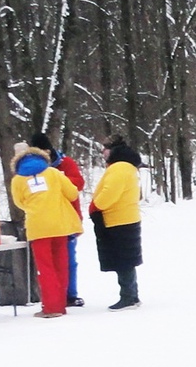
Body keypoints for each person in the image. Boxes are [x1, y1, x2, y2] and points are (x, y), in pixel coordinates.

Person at [9, 143, 83, 318]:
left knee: (46, 267)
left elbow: (19, 203)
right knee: (61, 265)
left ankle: (51, 307)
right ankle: (61, 304)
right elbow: (73, 193)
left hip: (38, 227)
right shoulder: (53, 173)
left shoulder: (18, 179)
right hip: (60, 225)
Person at [28, 131, 86, 307]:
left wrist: (56, 180)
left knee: (69, 259)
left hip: (66, 219)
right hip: (44, 220)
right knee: (48, 263)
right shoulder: (33, 168)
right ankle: (52, 297)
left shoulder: (65, 163)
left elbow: (78, 184)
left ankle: (70, 294)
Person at [88, 135, 144, 310]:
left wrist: (96, 205)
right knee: (126, 259)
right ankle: (130, 294)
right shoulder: (128, 167)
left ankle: (128, 297)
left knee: (123, 260)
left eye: (105, 149)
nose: (103, 153)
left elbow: (110, 193)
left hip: (118, 219)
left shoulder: (119, 168)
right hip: (126, 217)